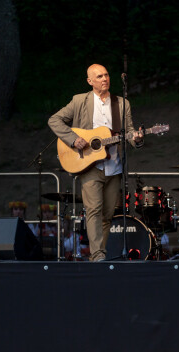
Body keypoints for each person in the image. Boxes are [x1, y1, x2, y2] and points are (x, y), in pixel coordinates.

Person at [48, 64, 143, 261]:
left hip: (114, 166)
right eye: (99, 76)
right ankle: (98, 256)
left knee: (107, 215)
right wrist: (73, 139)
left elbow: (130, 133)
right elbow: (54, 120)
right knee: (93, 210)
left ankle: (98, 255)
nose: (104, 79)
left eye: (106, 75)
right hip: (89, 165)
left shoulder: (122, 103)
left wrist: (138, 138)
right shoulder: (79, 101)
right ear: (90, 81)